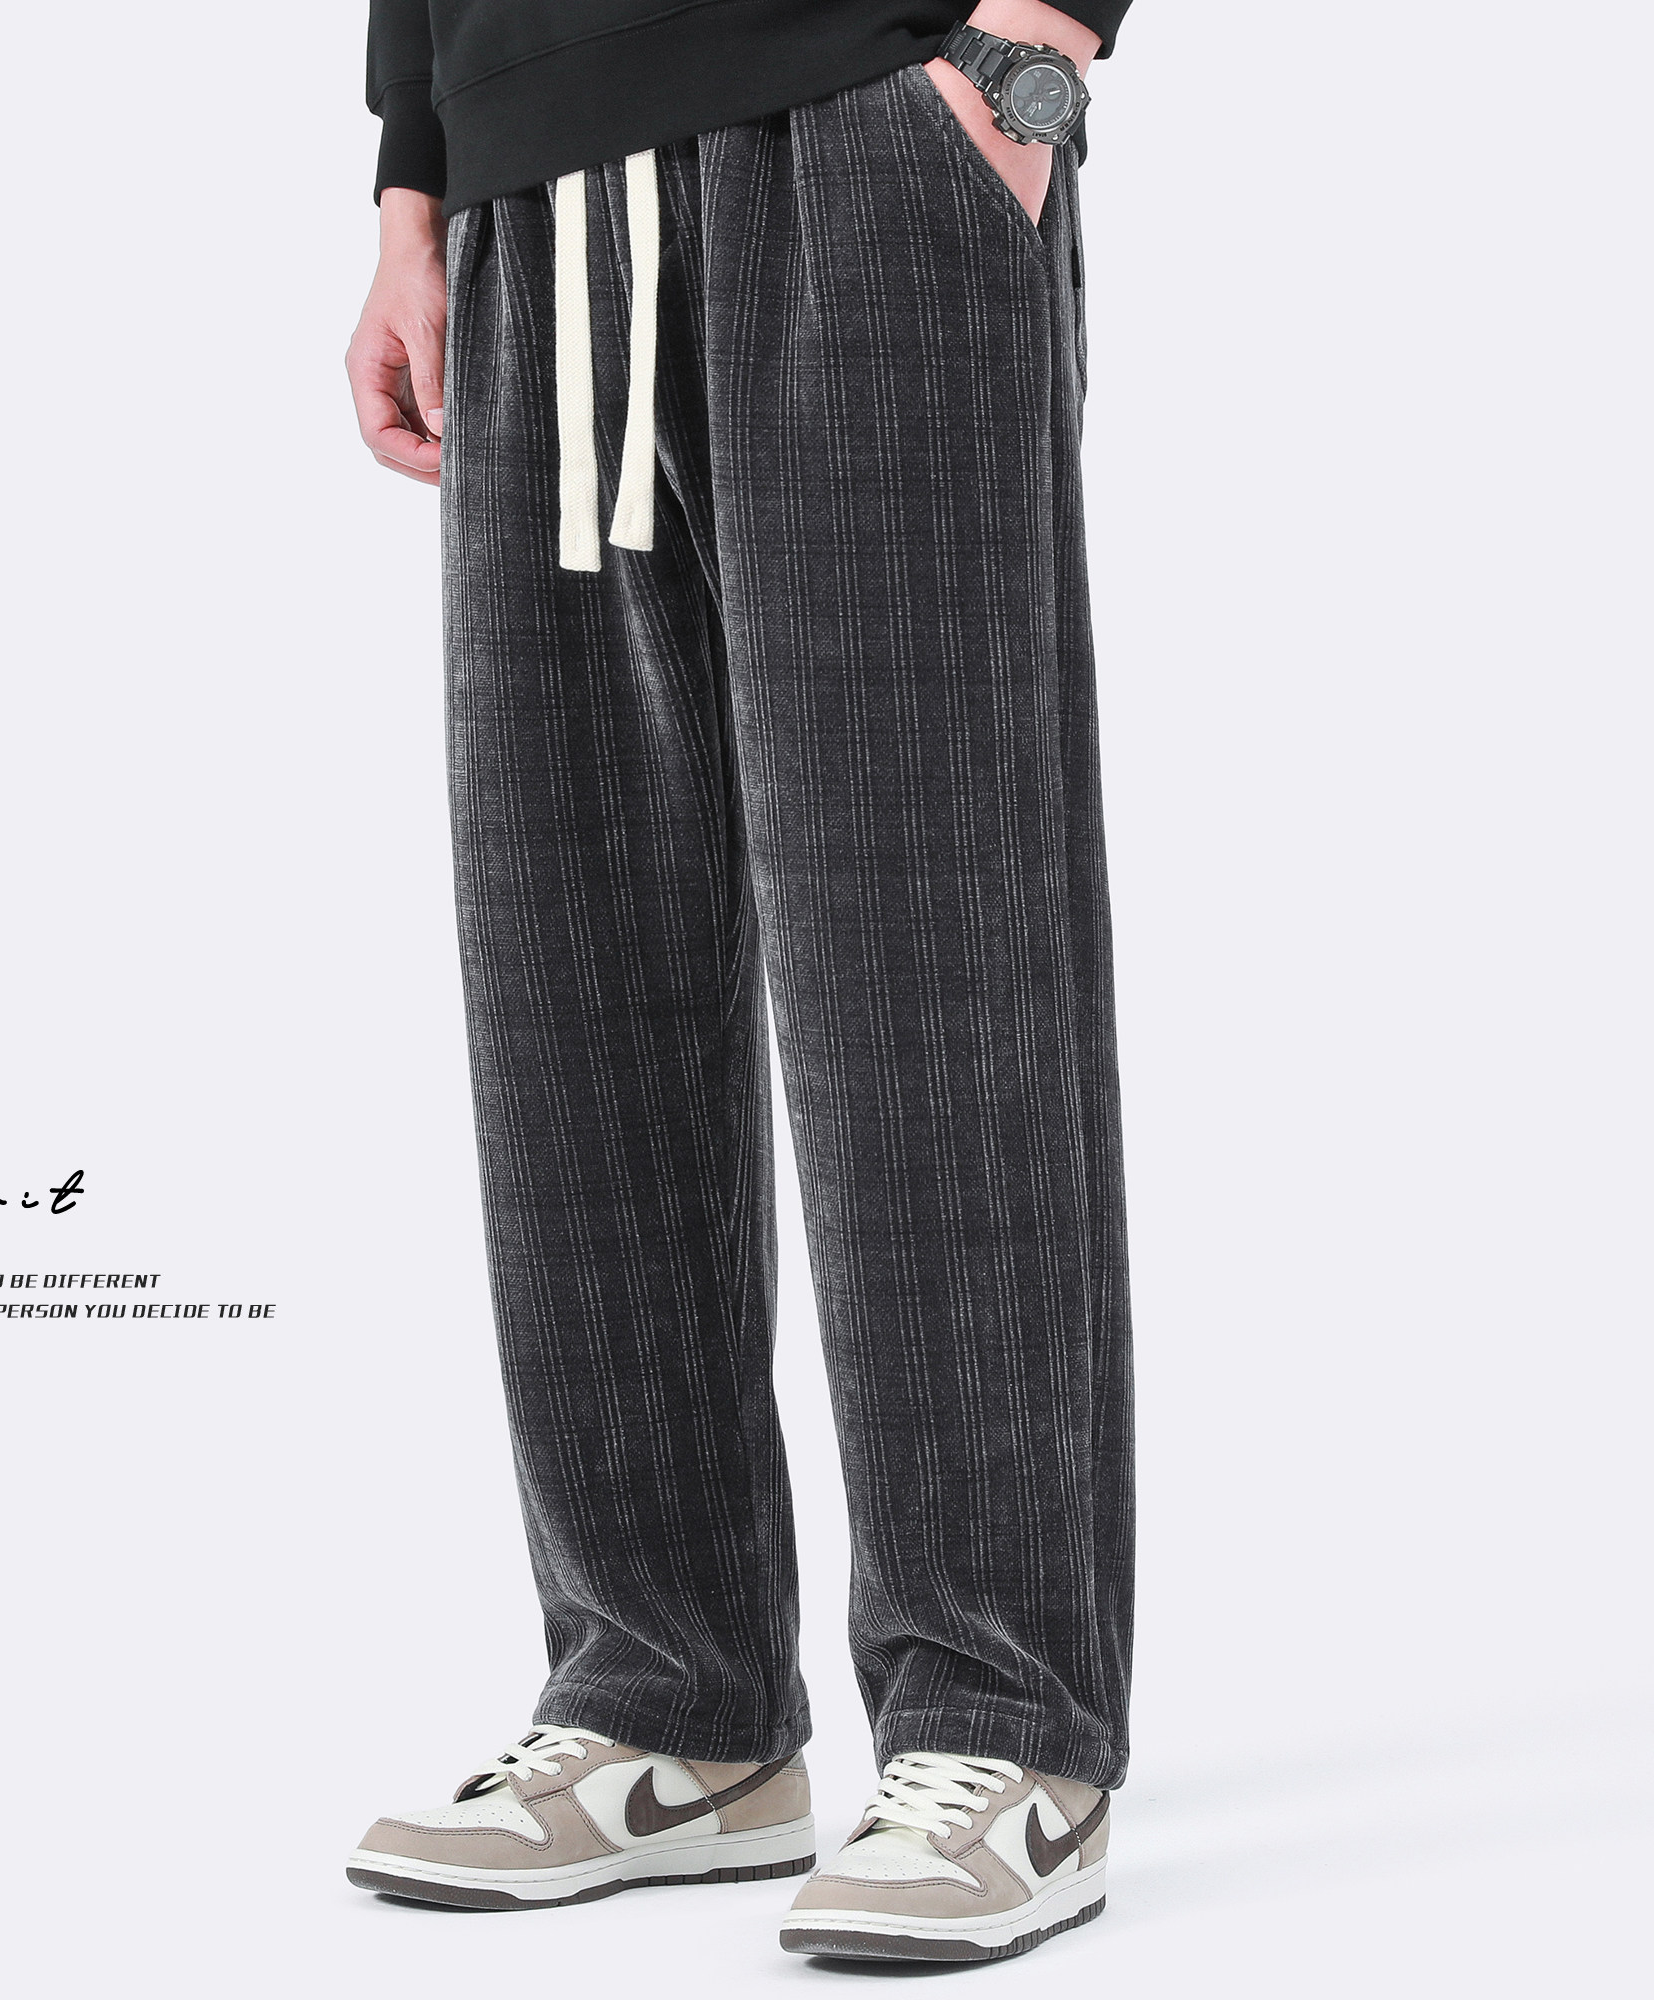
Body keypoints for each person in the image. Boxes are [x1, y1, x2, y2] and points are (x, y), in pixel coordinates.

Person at [343, 0, 1135, 1965]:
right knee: (571, 964)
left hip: (874, 103)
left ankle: (1004, 1720)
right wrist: (414, 168)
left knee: (926, 958)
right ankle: (667, 1693)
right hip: (531, 177)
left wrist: (1035, 43)